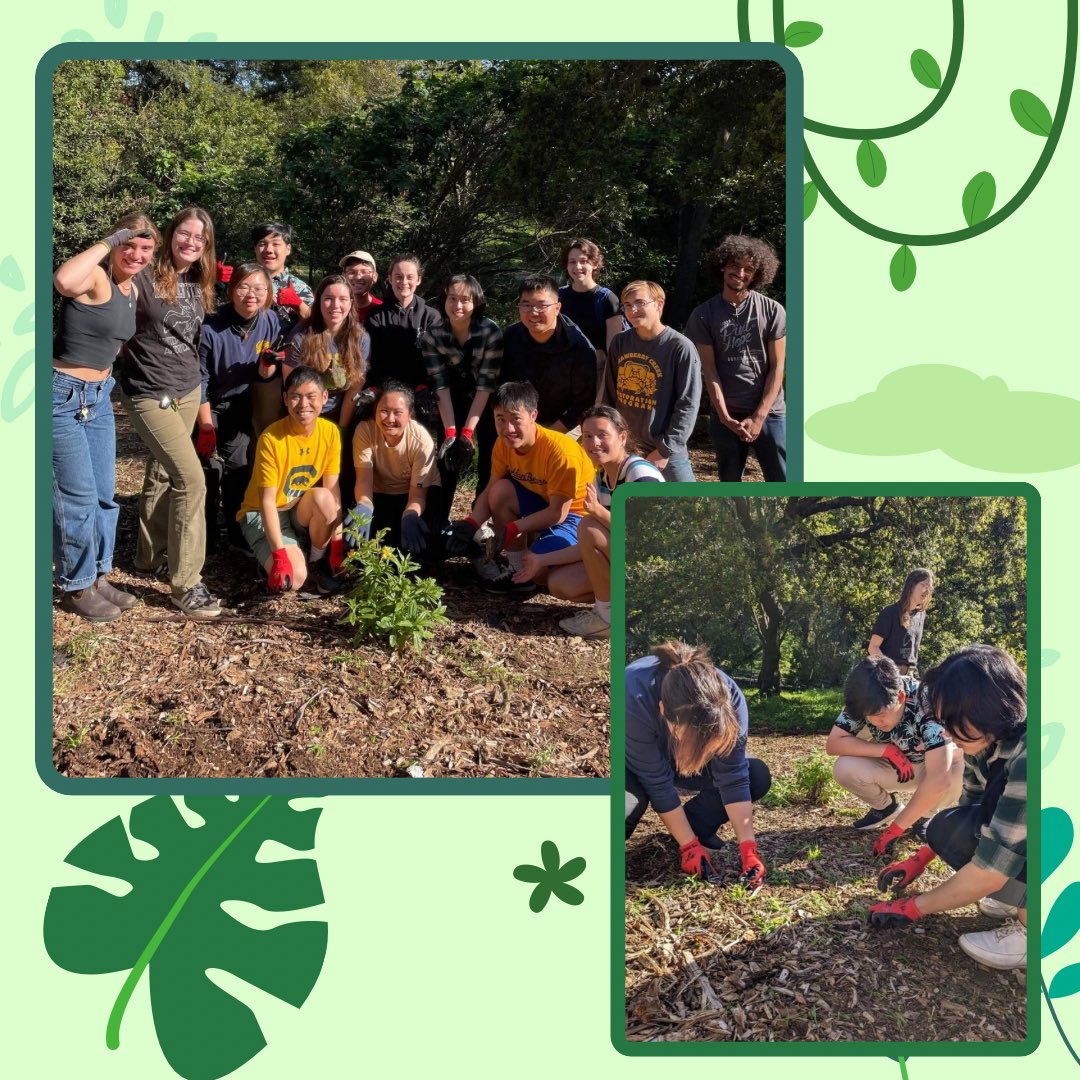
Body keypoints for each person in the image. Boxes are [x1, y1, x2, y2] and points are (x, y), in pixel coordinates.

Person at [869, 645, 1028, 971]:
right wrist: (921, 857)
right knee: (945, 828)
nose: (945, 732)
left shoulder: (1033, 758)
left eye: (953, 720)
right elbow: (970, 811)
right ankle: (1018, 897)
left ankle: (1036, 932)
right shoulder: (985, 739)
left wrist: (912, 907)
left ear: (988, 709)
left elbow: (988, 872)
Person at [52, 214, 159, 622]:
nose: (135, 254)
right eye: (128, 245)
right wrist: (112, 237)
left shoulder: (131, 289)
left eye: (145, 249)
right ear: (114, 245)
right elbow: (63, 281)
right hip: (61, 395)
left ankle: (97, 574)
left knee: (103, 495)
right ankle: (74, 586)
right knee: (75, 498)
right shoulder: (97, 276)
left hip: (97, 398)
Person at [119, 206, 223, 619]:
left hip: (187, 388)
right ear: (171, 233)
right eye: (185, 233)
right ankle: (185, 583)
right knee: (191, 480)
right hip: (147, 392)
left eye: (200, 238)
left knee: (162, 473)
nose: (191, 242)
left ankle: (149, 557)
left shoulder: (200, 281)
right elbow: (114, 318)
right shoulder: (143, 274)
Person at [625, 641, 772, 888]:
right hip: (634, 764)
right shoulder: (632, 695)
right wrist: (690, 847)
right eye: (692, 741)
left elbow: (733, 777)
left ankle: (692, 827)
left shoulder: (729, 700)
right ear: (663, 711)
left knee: (755, 774)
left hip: (673, 760)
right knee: (622, 810)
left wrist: (748, 849)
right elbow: (657, 783)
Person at [443, 381, 594, 596]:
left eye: (515, 419)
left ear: (533, 415)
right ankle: (517, 572)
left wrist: (513, 528)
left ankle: (558, 563)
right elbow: (491, 490)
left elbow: (557, 512)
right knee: (500, 492)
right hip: (541, 502)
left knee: (541, 572)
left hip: (574, 515)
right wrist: (472, 522)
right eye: (501, 419)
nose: (508, 429)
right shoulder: (502, 445)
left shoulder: (560, 452)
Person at [826, 655, 963, 841]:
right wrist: (887, 751)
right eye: (868, 717)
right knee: (843, 768)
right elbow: (834, 743)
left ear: (900, 696)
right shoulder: (865, 698)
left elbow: (940, 778)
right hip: (895, 767)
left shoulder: (927, 701)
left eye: (880, 715)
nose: (875, 721)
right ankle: (885, 808)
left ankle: (925, 816)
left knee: (959, 766)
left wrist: (895, 830)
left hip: (931, 768)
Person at [555, 406, 664, 639]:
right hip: (629, 560)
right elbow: (595, 544)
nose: (594, 443)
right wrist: (539, 561)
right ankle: (625, 612)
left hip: (656, 569)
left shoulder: (641, 474)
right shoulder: (601, 476)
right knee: (561, 583)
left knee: (589, 526)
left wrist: (597, 511)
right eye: (587, 436)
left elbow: (646, 538)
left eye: (602, 435)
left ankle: (607, 619)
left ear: (622, 437)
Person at [236, 365, 345, 598]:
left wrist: (337, 542)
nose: (303, 405)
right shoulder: (272, 439)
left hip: (296, 506)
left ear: (324, 398)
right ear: (285, 399)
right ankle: (274, 552)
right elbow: (266, 502)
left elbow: (332, 490)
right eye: (295, 396)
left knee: (325, 498)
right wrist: (279, 556)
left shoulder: (330, 433)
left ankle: (317, 562)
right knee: (294, 579)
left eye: (311, 396)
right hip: (263, 511)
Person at [685, 235, 787, 482]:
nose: (740, 273)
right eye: (734, 265)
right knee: (729, 487)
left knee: (784, 482)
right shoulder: (703, 315)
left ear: (757, 274)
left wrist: (759, 416)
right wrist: (724, 416)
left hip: (770, 414)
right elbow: (708, 370)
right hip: (726, 416)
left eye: (748, 269)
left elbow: (777, 367)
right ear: (723, 265)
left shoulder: (773, 310)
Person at [197, 262, 282, 554]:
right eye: (244, 287)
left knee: (239, 469)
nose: (251, 295)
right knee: (206, 470)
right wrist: (206, 425)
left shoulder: (270, 321)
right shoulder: (211, 325)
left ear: (268, 292)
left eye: (259, 288)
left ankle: (236, 532)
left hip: (241, 402)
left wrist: (267, 368)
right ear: (232, 290)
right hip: (207, 403)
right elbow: (200, 378)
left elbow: (264, 373)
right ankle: (205, 536)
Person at [419, 274, 504, 506]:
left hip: (485, 400)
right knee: (447, 458)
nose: (458, 306)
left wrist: (467, 433)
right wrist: (451, 432)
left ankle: (481, 515)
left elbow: (486, 385)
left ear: (476, 301)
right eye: (452, 298)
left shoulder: (490, 333)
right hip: (451, 398)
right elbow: (440, 384)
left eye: (465, 299)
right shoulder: (432, 336)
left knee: (488, 455)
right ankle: (439, 517)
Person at [604, 280, 701, 482]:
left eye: (640, 303)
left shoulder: (680, 347)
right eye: (628, 305)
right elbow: (609, 394)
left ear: (659, 304)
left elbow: (687, 405)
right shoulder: (620, 342)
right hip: (626, 448)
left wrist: (664, 450)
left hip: (665, 451)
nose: (633, 310)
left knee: (687, 507)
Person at [347, 381, 443, 557]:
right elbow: (364, 480)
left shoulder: (422, 441)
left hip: (414, 496)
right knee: (358, 542)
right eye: (383, 411)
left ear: (409, 415)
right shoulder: (365, 430)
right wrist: (365, 505)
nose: (389, 419)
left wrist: (410, 515)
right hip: (379, 494)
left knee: (430, 545)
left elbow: (418, 495)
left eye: (397, 413)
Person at [500, 275, 596, 432]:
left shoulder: (580, 347)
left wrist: (545, 436)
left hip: (566, 425)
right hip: (518, 422)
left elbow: (583, 405)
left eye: (541, 305)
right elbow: (502, 387)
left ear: (557, 308)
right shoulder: (510, 337)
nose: (533, 312)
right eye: (527, 305)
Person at [245, 222, 314, 435]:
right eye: (262, 244)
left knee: (284, 432)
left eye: (276, 243)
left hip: (286, 369)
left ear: (288, 248)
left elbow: (319, 324)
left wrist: (298, 304)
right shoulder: (243, 280)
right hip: (245, 365)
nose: (269, 250)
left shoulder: (298, 287)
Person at [364, 253, 443, 433]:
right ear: (390, 279)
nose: (404, 282)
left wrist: (424, 386)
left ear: (419, 279)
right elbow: (372, 360)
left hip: (421, 395)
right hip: (384, 395)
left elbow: (436, 362)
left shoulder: (431, 317)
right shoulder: (376, 316)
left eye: (410, 277)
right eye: (398, 277)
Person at [557, 238, 625, 401]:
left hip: (597, 373)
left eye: (583, 261)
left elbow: (613, 353)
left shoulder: (607, 300)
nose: (577, 267)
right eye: (572, 262)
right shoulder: (558, 296)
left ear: (595, 264)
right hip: (563, 371)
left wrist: (603, 393)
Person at [869, 568, 934, 676]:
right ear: (911, 586)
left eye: (930, 587)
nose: (927, 591)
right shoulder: (890, 613)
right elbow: (873, 647)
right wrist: (891, 671)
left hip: (911, 675)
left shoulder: (921, 615)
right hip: (887, 676)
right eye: (924, 585)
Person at [339, 249, 383, 324]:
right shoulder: (335, 308)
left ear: (374, 277)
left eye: (364, 272)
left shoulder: (381, 311)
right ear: (343, 276)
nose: (358, 277)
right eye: (351, 272)